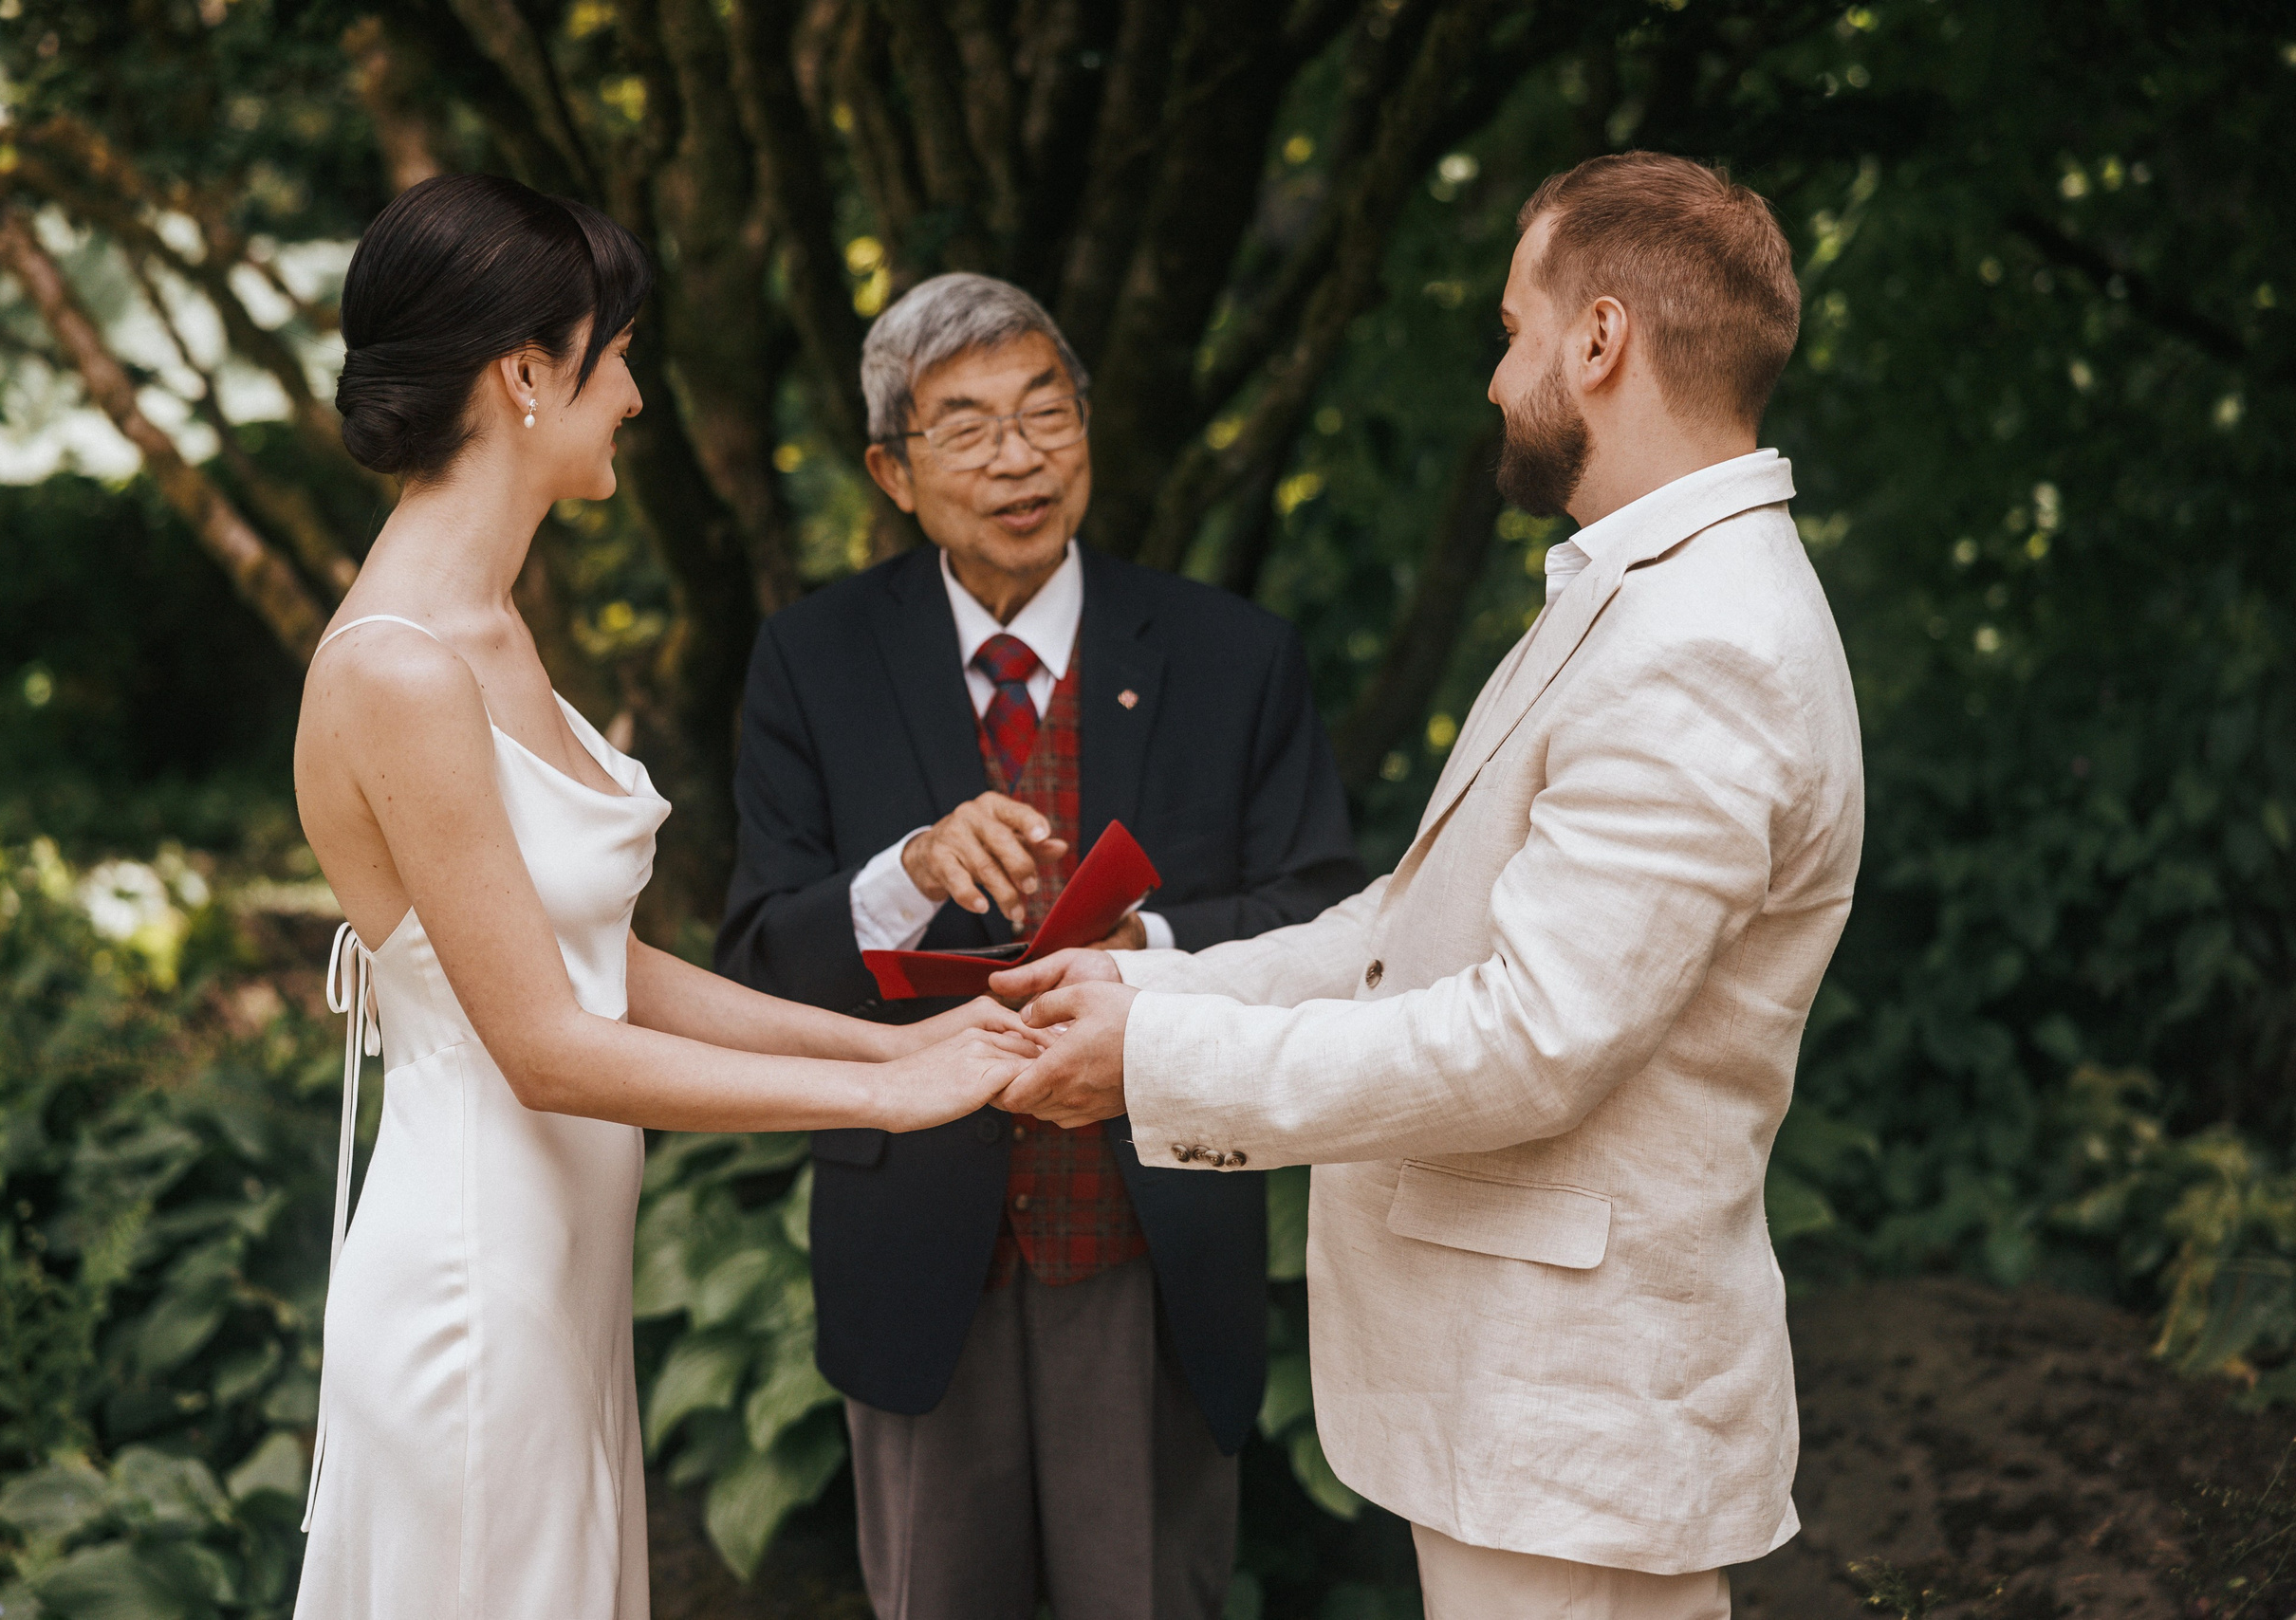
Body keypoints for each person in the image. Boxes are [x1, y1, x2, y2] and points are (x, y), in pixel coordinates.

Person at [994, 153, 1861, 1619]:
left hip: (1571, 1430)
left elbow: (1532, 1041)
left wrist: (1150, 1059)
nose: (1495, 376)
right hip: (1519, 1419)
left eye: (1514, 330)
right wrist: (1147, 982)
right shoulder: (1643, 599)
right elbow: (1414, 938)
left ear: (1600, 341)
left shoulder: (1702, 648)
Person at [287, 175, 1038, 1620]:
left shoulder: (491, 629)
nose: (631, 393)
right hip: (472, 1291)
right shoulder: (397, 668)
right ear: (523, 375)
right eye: (612, 351)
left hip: (557, 1277)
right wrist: (885, 1104)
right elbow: (549, 1047)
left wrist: (898, 1045)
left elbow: (602, 967)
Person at [716, 272, 1365, 1619]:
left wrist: (1155, 950)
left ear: (1086, 423)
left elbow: (1330, 921)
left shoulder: (1232, 655)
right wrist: (901, 878)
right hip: (915, 1242)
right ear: (893, 472)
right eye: (965, 428)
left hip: (1153, 1235)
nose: (1018, 457)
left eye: (1044, 411)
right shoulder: (810, 662)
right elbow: (759, 963)